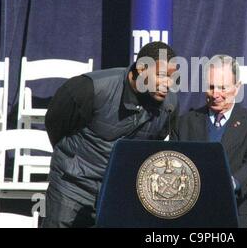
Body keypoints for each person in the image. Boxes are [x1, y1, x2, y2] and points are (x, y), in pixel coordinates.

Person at [42, 41, 179, 228]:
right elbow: (55, 123)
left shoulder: (169, 105)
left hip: (117, 190)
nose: (168, 84)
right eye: (161, 75)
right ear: (141, 68)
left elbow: (153, 143)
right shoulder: (90, 88)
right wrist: (72, 159)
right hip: (73, 184)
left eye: (172, 77)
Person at [171, 55, 247, 228]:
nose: (216, 94)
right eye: (211, 87)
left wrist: (229, 184)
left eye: (223, 88)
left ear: (237, 88)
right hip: (190, 214)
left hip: (234, 211)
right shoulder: (184, 123)